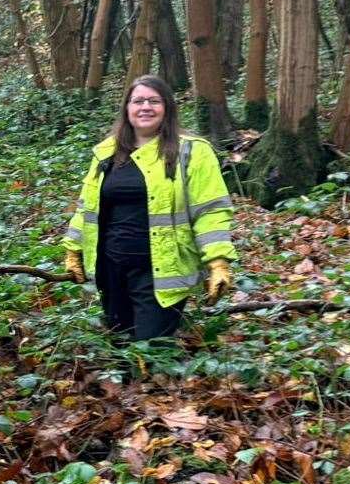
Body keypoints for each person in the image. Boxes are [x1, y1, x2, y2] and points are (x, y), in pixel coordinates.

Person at [61, 75, 237, 340]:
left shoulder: (191, 151)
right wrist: (73, 250)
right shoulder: (106, 152)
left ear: (167, 107)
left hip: (162, 269)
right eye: (138, 101)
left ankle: (155, 383)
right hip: (111, 267)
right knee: (120, 342)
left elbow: (210, 211)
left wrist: (218, 260)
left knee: (152, 346)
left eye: (154, 101)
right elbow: (87, 208)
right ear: (127, 108)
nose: (145, 107)